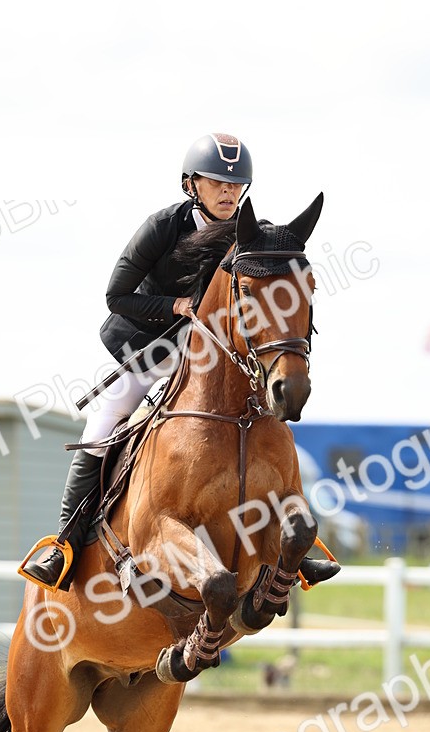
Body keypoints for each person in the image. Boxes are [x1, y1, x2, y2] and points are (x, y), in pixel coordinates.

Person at [23, 132, 337, 591]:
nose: (229, 192)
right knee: (102, 424)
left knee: (265, 421)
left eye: (236, 185)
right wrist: (175, 306)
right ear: (192, 185)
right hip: (148, 346)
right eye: (218, 183)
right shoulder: (163, 227)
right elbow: (117, 296)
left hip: (214, 356)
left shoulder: (252, 233)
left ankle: (295, 545)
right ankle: (65, 544)